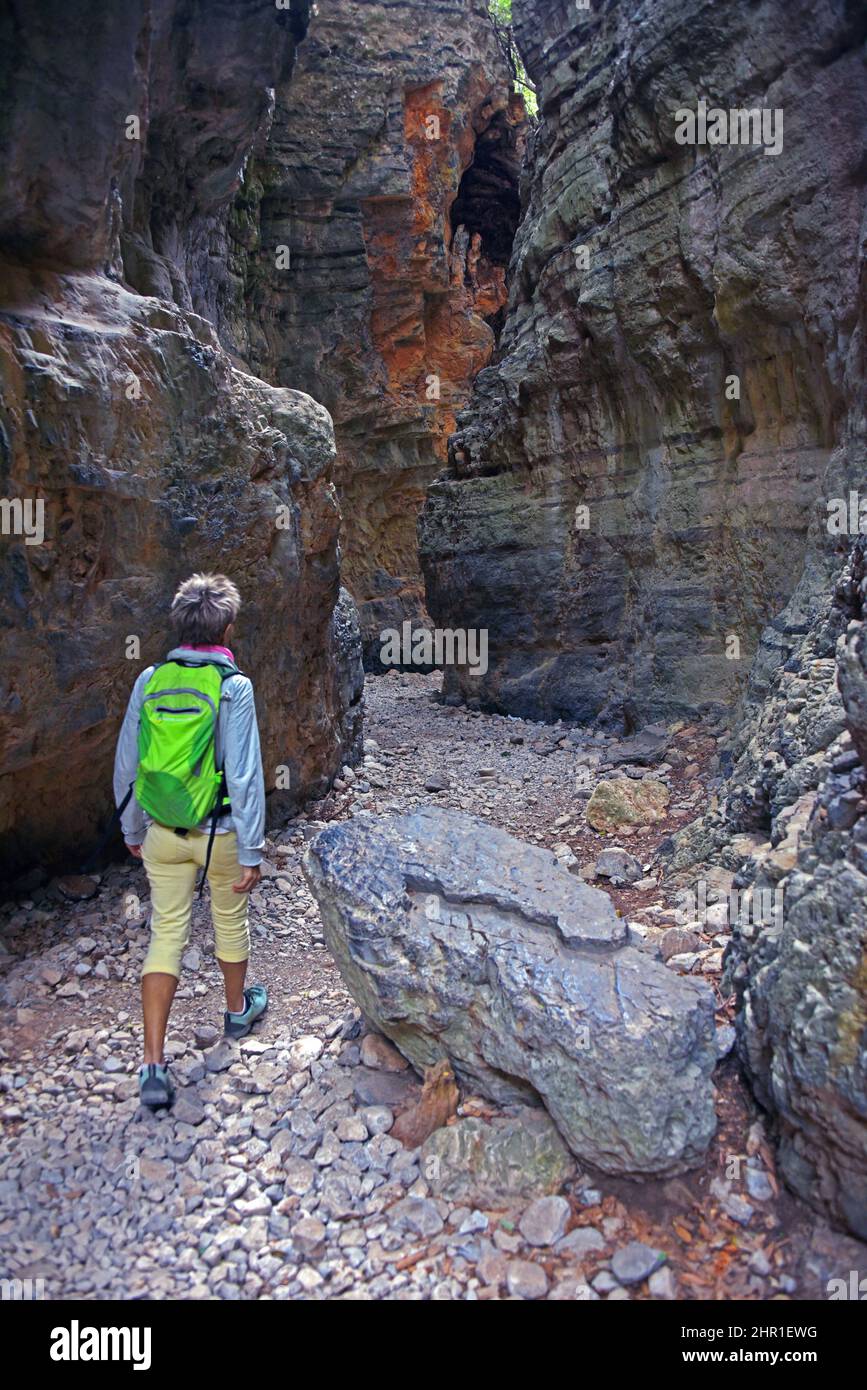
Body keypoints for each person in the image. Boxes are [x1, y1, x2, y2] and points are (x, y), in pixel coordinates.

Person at [113, 573, 267, 1108]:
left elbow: (127, 764)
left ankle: (153, 1064)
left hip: (162, 831)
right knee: (229, 919)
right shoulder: (234, 687)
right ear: (227, 627)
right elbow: (245, 775)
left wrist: (132, 828)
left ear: (178, 625)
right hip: (219, 834)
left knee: (166, 934)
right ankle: (235, 1011)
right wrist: (253, 850)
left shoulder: (150, 679)